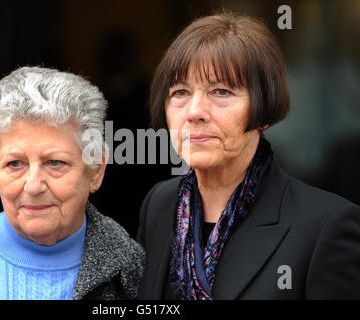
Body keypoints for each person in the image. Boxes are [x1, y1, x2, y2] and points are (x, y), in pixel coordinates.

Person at [137, 12, 360, 300]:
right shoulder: (159, 205)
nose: (194, 112)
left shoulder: (325, 228)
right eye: (180, 92)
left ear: (263, 112)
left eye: (221, 91)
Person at [0, 67, 144, 300]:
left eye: (55, 162)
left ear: (96, 170)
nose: (33, 186)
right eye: (15, 164)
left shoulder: (139, 277)